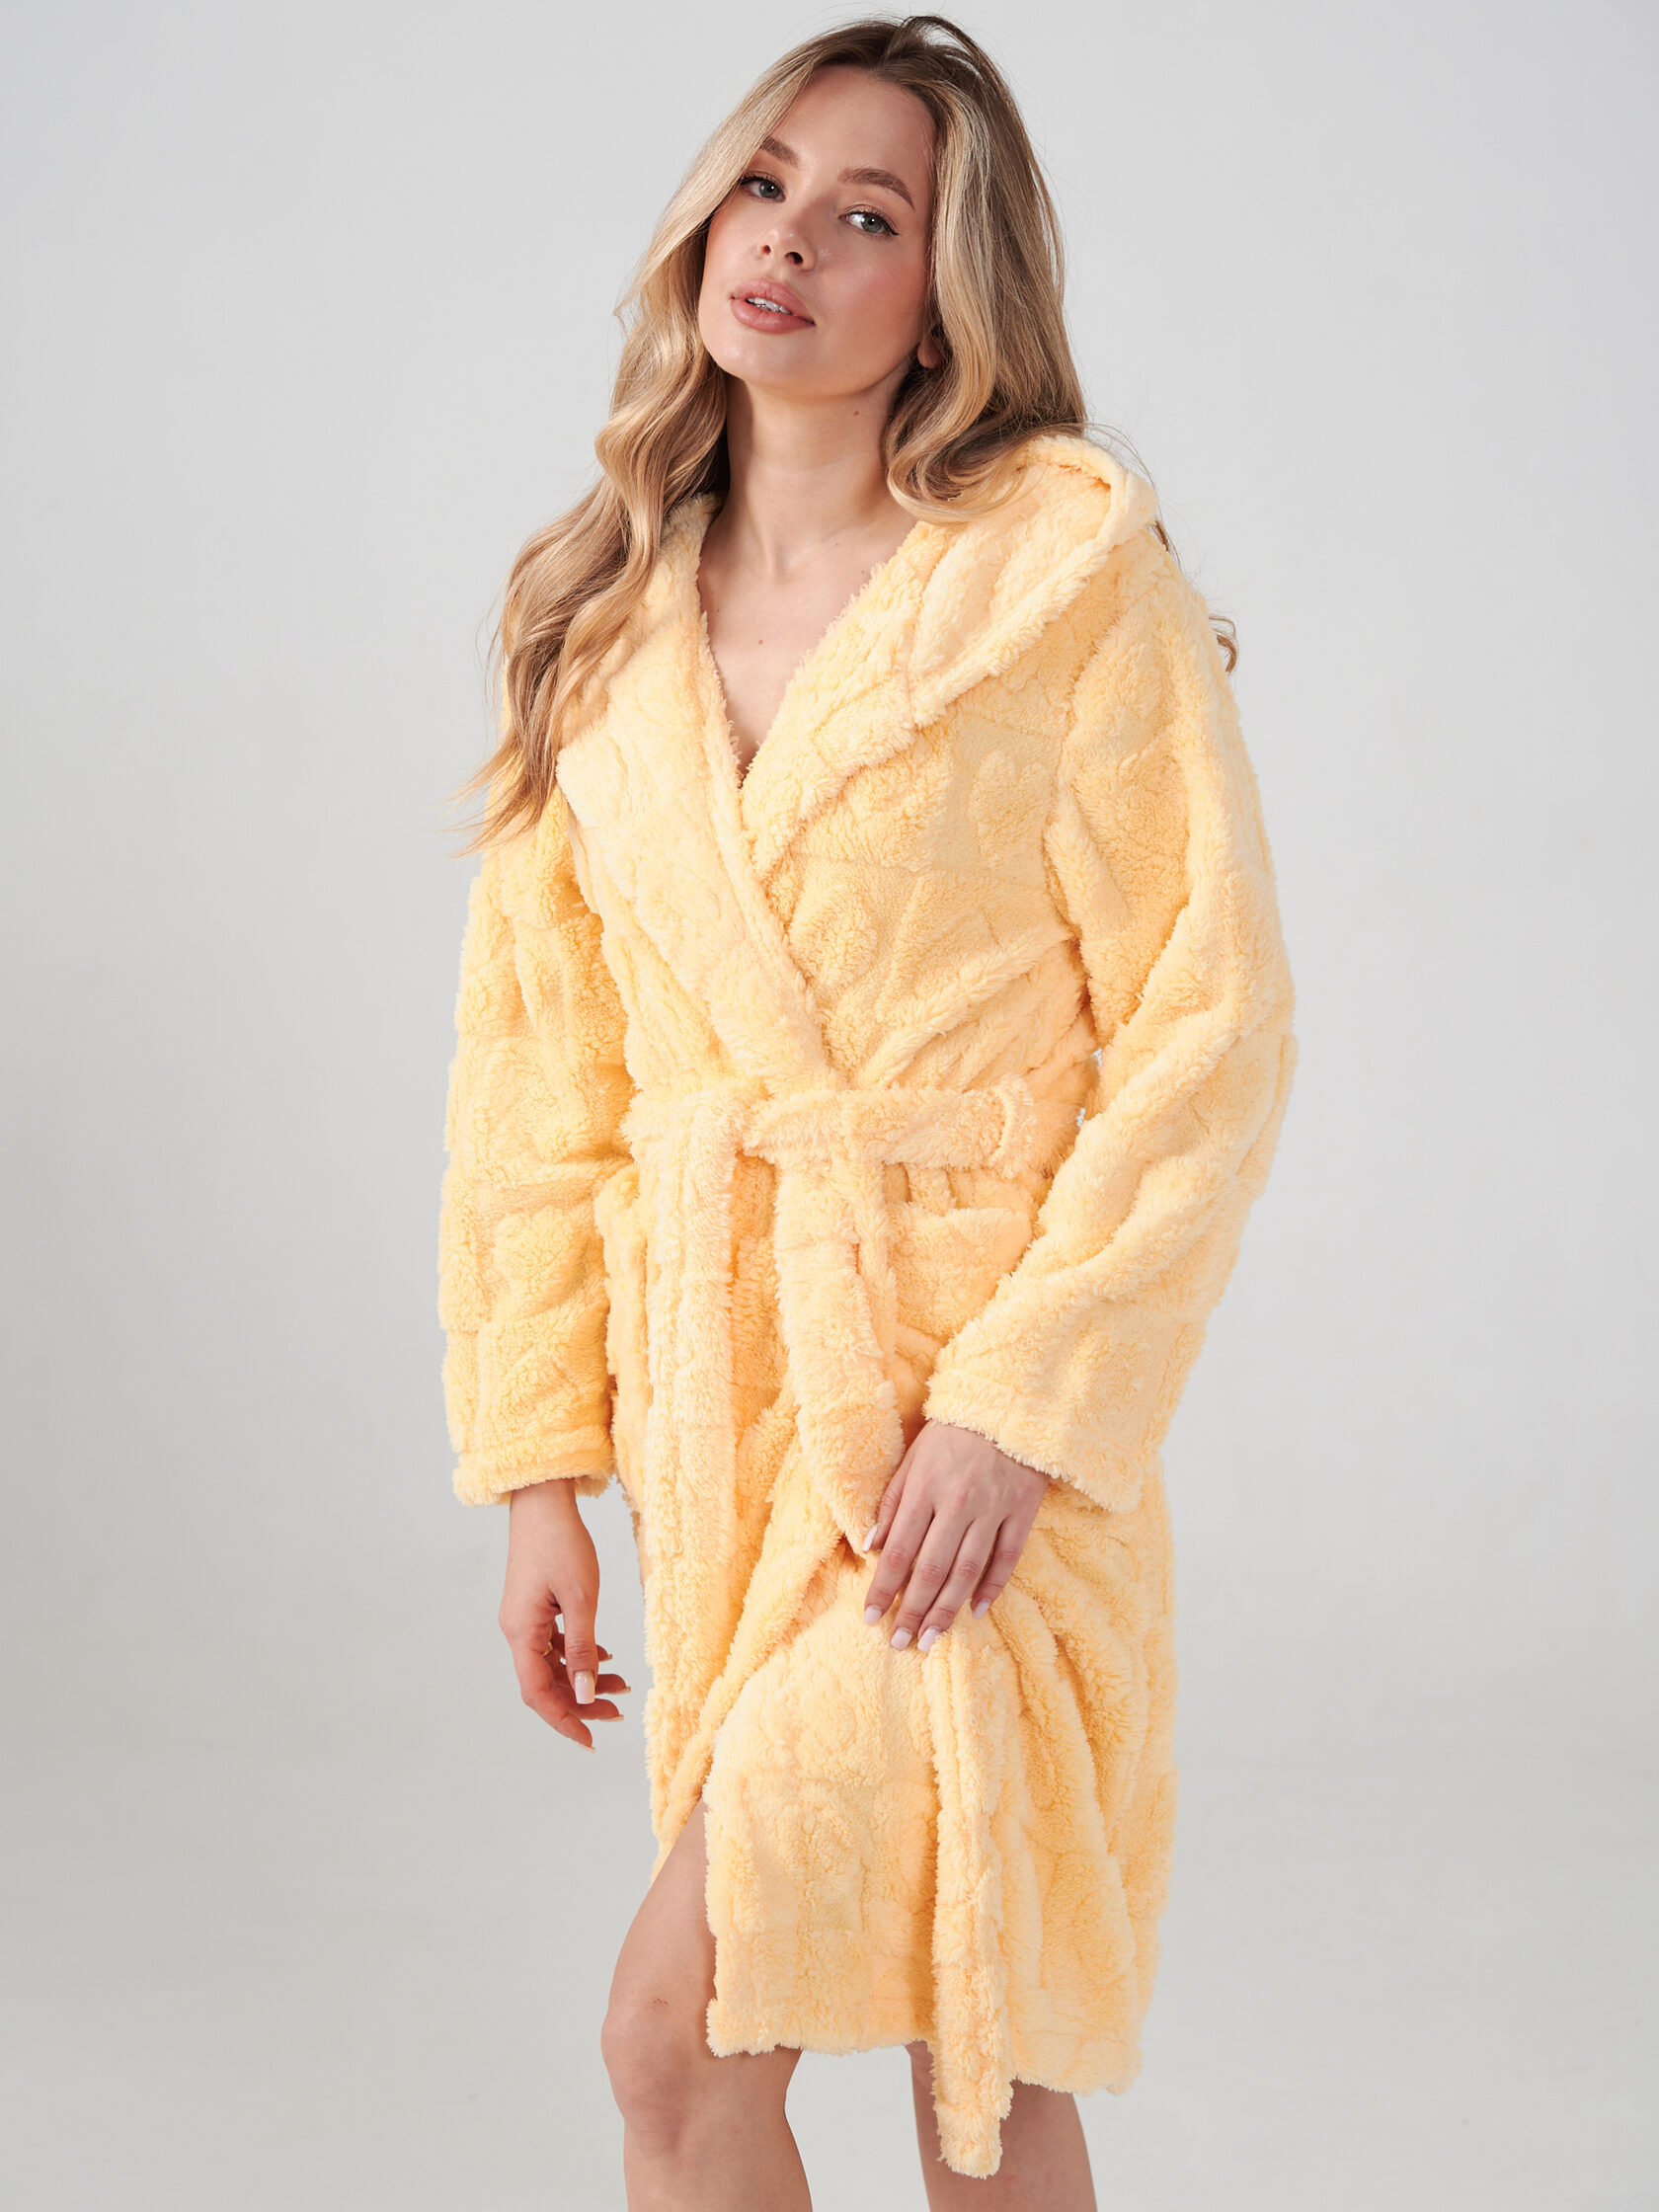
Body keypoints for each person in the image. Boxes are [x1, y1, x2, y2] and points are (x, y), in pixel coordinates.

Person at [436, 15, 1297, 2206]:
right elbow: (543, 1077)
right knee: (943, 2057)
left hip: (974, 1441)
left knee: (790, 2041)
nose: (790, 242)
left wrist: (1021, 1406)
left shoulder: (1061, 585)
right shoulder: (597, 628)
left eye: (867, 214)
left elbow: (1208, 1023)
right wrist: (542, 1473)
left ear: (945, 297)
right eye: (765, 184)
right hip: (728, 1435)